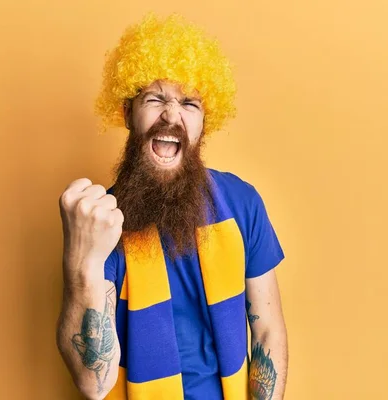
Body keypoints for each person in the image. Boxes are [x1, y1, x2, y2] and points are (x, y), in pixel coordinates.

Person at [57, 14, 288, 400]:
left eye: (189, 103)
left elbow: (267, 332)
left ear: (203, 123)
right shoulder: (103, 223)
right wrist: (81, 262)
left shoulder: (242, 203)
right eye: (155, 98)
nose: (171, 115)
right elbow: (92, 384)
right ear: (128, 113)